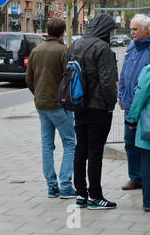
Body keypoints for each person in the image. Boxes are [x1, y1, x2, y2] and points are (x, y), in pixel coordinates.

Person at [72, 13, 119, 210]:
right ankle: (95, 196)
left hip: (79, 104)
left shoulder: (76, 44)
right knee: (95, 151)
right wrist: (111, 104)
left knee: (80, 148)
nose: (111, 33)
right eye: (110, 30)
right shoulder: (103, 48)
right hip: (98, 106)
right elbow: (108, 82)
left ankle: (81, 194)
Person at [26, 17, 76, 199]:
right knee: (69, 143)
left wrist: (38, 94)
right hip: (60, 104)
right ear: (63, 32)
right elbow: (70, 79)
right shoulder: (64, 51)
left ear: (47, 30)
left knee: (47, 145)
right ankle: (65, 186)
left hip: (41, 104)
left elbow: (29, 80)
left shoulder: (36, 51)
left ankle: (51, 187)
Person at [118, 14, 150, 191]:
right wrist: (121, 95)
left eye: (135, 29)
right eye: (131, 29)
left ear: (146, 29)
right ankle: (135, 177)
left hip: (145, 108)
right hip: (129, 106)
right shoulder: (131, 47)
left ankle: (146, 179)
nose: (132, 33)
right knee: (129, 142)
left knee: (146, 143)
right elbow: (123, 74)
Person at [125, 63, 150, 212]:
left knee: (147, 163)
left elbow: (139, 96)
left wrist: (131, 119)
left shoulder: (148, 71)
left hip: (148, 128)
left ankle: (148, 201)